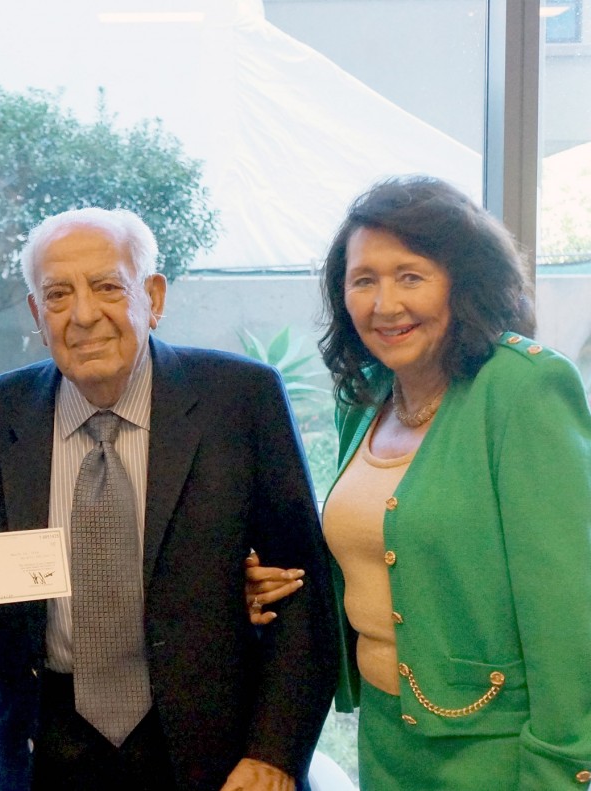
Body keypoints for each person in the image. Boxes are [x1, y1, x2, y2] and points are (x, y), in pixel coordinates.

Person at [0, 207, 339, 791]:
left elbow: (302, 593)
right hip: (43, 754)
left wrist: (274, 755)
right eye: (58, 294)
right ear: (38, 314)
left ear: (154, 297)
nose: (84, 315)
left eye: (109, 287)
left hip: (217, 754)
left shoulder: (241, 400)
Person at [245, 175, 591, 789]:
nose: (385, 304)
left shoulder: (522, 390)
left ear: (464, 280)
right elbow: (371, 549)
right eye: (363, 280)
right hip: (385, 737)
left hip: (499, 749)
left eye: (411, 275)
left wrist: (563, 765)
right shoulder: (367, 398)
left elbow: (570, 610)